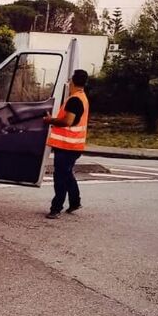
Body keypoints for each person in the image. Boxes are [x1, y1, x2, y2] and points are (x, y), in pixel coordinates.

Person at [42, 69, 90, 219]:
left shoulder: (74, 100)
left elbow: (68, 121)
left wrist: (50, 120)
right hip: (74, 145)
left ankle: (56, 208)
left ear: (72, 82)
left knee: (60, 177)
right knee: (67, 174)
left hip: (67, 146)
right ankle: (75, 202)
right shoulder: (82, 98)